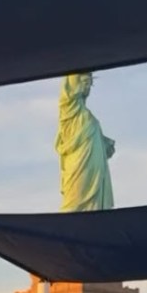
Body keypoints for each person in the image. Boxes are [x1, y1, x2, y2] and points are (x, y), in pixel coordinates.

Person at [55, 72, 115, 212]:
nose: (88, 86)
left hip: (95, 174)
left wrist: (105, 144)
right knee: (74, 207)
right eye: (84, 81)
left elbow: (93, 138)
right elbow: (72, 78)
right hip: (79, 169)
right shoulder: (71, 110)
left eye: (90, 83)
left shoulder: (87, 115)